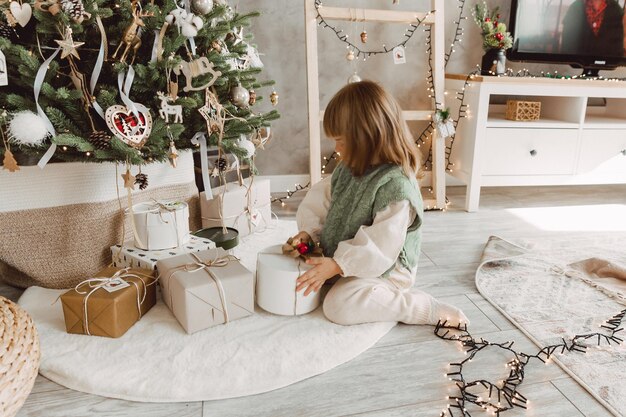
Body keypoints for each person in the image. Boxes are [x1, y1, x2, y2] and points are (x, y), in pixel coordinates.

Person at [292, 81, 468, 327]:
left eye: (341, 141)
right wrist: (309, 233)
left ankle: (420, 308)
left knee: (339, 305)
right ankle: (341, 269)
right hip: (351, 251)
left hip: (386, 266)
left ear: (367, 137)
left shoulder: (396, 187)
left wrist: (339, 265)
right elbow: (322, 201)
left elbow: (381, 245)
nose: (336, 149)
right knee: (297, 269)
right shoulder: (348, 168)